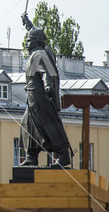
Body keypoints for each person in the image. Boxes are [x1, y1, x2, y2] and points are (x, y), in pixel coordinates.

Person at [20, 12, 71, 167]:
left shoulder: (39, 54)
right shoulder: (38, 52)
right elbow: (35, 32)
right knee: (27, 124)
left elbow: (49, 72)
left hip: (40, 97)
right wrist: (27, 24)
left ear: (36, 41)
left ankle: (63, 155)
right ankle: (32, 156)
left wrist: (48, 86)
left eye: (29, 40)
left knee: (48, 124)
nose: (26, 43)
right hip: (32, 97)